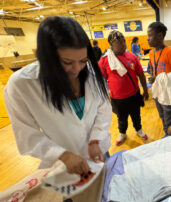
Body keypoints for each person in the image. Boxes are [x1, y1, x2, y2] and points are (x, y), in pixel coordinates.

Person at [4, 16, 111, 175]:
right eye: (67, 62)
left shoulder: (90, 74)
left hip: (98, 152)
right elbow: (27, 135)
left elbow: (104, 108)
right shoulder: (22, 84)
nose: (77, 69)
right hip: (62, 164)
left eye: (83, 60)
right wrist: (62, 155)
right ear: (47, 58)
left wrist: (96, 139)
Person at [99, 30, 149, 146]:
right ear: (111, 45)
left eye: (123, 41)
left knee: (136, 115)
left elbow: (141, 74)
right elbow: (101, 79)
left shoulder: (132, 57)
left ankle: (139, 130)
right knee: (121, 118)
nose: (122, 44)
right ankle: (122, 133)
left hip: (134, 94)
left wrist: (145, 91)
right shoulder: (104, 60)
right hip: (117, 98)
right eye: (118, 42)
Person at [147, 21, 171, 136]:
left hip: (167, 91)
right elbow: (153, 69)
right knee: (162, 116)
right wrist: (152, 76)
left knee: (168, 119)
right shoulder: (151, 53)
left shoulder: (170, 52)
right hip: (157, 90)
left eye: (150, 35)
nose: (148, 39)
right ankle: (166, 134)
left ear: (160, 36)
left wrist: (157, 78)